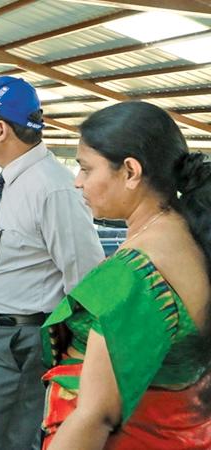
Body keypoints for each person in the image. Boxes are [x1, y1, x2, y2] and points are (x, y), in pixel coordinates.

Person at [41, 101, 211, 449]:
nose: (77, 182)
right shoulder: (187, 235)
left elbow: (95, 416)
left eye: (86, 169)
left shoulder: (136, 272)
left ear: (131, 172)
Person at [0, 76, 105, 450]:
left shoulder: (51, 188)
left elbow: (86, 278)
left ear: (1, 129)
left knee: (1, 439)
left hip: (21, 340)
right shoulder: (12, 179)